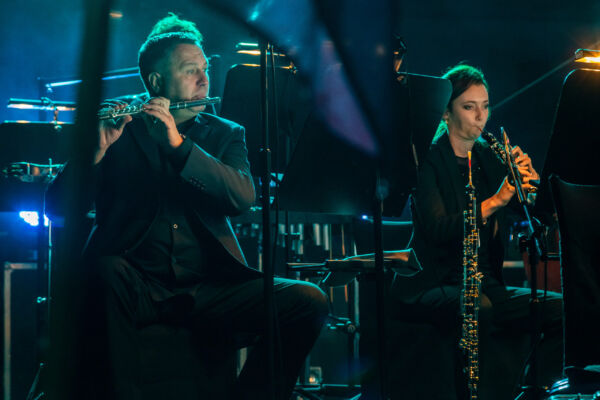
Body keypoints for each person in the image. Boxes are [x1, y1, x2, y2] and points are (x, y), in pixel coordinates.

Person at [46, 31, 327, 400]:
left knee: (308, 301)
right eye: (190, 70)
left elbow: (242, 197)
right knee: (105, 270)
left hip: (209, 286)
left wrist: (178, 146)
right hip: (137, 283)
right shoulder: (119, 130)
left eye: (205, 69)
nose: (204, 79)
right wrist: (93, 154)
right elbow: (57, 209)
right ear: (156, 81)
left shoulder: (227, 134)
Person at [393, 64, 564, 399]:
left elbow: (534, 214)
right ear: (446, 113)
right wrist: (495, 201)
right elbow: (438, 229)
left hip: (486, 282)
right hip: (436, 282)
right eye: (469, 107)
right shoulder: (427, 160)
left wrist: (532, 186)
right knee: (478, 306)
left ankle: (526, 391)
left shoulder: (488, 156)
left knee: (561, 311)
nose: (480, 116)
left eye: (485, 106)